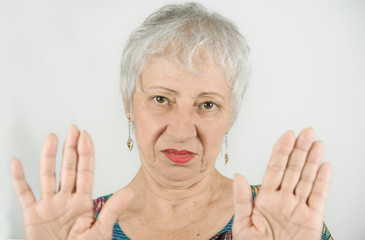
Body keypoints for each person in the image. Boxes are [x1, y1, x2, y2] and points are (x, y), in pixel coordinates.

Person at [10, 2, 333, 239]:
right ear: (129, 106)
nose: (181, 132)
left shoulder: (282, 219)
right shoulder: (80, 228)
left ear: (230, 115)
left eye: (207, 104)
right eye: (161, 99)